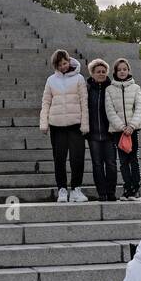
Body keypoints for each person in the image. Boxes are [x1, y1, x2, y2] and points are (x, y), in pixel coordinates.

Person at [39, 49, 89, 204]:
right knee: (59, 159)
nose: (63, 67)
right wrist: (44, 123)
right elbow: (46, 102)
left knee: (77, 158)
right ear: (56, 65)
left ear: (69, 61)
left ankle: (76, 189)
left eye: (65, 63)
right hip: (57, 125)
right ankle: (61, 189)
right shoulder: (51, 80)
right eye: (59, 64)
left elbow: (84, 102)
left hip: (76, 124)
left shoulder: (79, 78)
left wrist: (85, 124)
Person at [106, 57, 141, 201]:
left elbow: (140, 107)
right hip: (119, 131)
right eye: (119, 70)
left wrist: (132, 126)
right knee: (123, 161)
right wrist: (122, 127)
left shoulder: (136, 88)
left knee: (133, 159)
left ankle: (135, 190)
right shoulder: (109, 89)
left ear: (129, 70)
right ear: (115, 72)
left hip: (133, 130)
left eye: (124, 69)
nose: (122, 72)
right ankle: (127, 188)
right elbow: (110, 111)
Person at [85, 58, 118, 201]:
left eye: (104, 72)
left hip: (109, 134)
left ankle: (111, 192)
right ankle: (102, 193)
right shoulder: (87, 89)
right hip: (93, 135)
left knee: (111, 164)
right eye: (98, 72)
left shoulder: (111, 88)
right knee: (97, 165)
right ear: (92, 73)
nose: (101, 74)